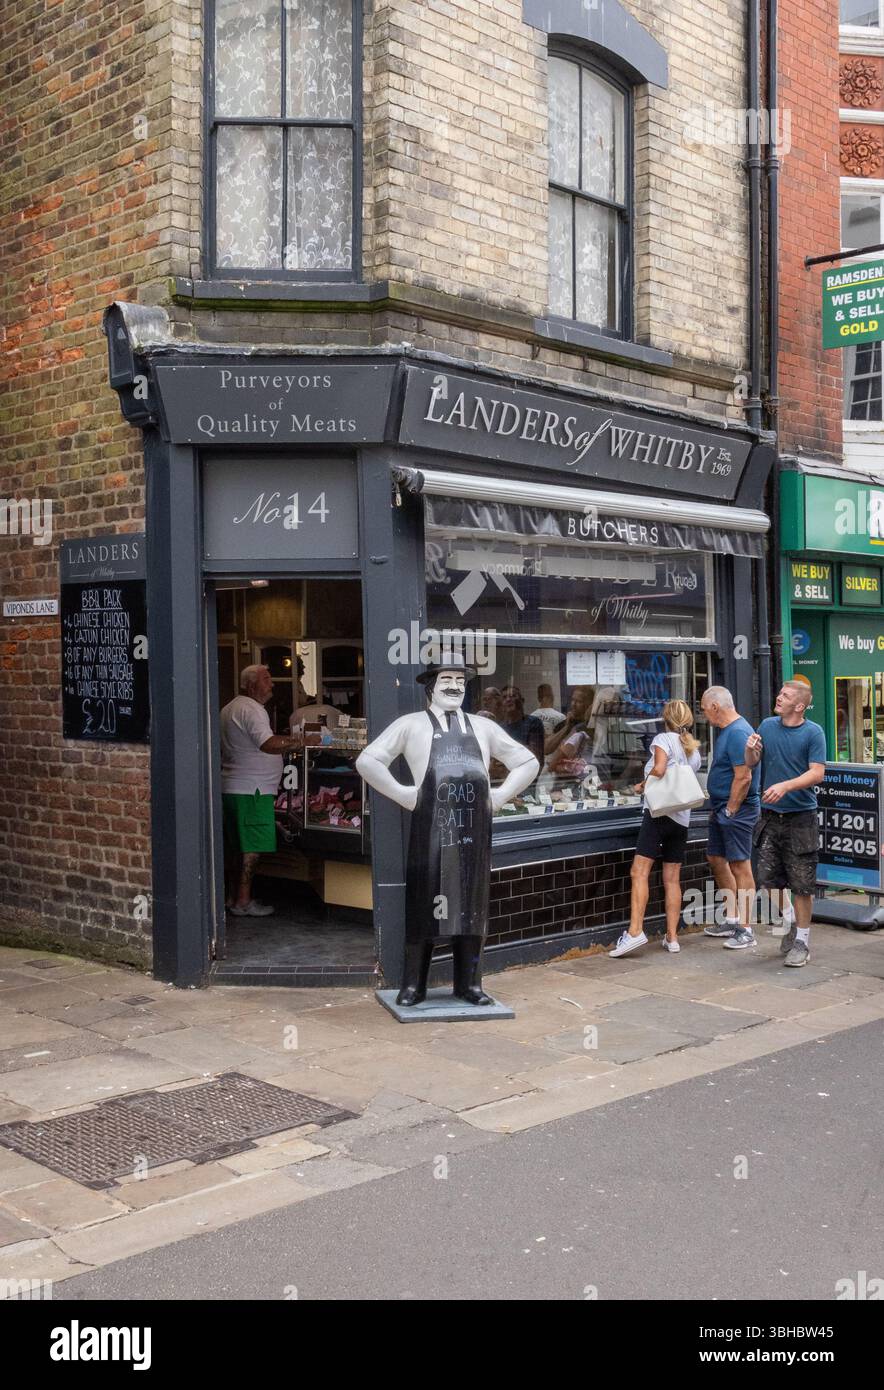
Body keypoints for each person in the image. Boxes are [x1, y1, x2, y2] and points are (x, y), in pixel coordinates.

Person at [356, 660, 538, 1006]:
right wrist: (405, 794)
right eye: (447, 679)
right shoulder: (410, 725)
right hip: (431, 832)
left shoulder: (483, 727)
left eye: (460, 680)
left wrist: (498, 796)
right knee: (424, 904)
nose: (454, 686)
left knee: (472, 906)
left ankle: (469, 984)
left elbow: (527, 762)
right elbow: (368, 760)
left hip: (474, 832)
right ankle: (414, 985)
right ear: (431, 686)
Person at [609, 700, 703, 957]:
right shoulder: (693, 750)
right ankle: (672, 938)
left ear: (666, 718)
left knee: (639, 872)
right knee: (672, 878)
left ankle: (635, 931)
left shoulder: (664, 738)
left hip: (659, 814)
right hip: (682, 819)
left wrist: (642, 785)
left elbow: (660, 769)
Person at [744, 681, 826, 967]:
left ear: (799, 706)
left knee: (802, 883)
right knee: (767, 878)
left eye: (786, 696)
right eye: (779, 693)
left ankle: (802, 941)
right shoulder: (767, 726)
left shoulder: (813, 733)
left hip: (800, 818)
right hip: (769, 816)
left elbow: (817, 773)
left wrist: (786, 786)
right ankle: (790, 918)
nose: (778, 697)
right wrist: (751, 750)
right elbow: (752, 763)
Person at [220, 665, 313, 916]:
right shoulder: (252, 710)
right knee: (252, 849)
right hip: (253, 790)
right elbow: (268, 744)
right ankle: (244, 901)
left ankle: (232, 898)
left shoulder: (229, 708)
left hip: (233, 787)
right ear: (251, 685)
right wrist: (300, 741)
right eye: (266, 679)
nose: (272, 684)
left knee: (236, 847)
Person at [700, 686, 761, 949]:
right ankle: (733, 917)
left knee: (740, 865)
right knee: (716, 858)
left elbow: (744, 776)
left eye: (704, 709)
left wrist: (732, 809)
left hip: (736, 809)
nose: (704, 715)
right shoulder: (729, 731)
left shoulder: (737, 732)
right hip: (722, 808)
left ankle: (746, 929)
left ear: (715, 706)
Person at [501, 686, 546, 768]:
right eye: (504, 697)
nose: (508, 699)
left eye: (513, 696)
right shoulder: (500, 728)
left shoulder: (533, 723)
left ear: (522, 701)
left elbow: (534, 756)